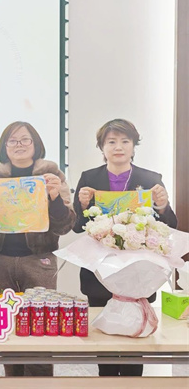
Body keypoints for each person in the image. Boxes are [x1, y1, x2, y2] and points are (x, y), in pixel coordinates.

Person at [73, 118, 177, 377]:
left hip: (138, 274)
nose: (118, 147)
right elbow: (77, 227)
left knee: (134, 341)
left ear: (133, 146)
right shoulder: (89, 178)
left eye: (124, 141)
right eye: (111, 142)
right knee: (104, 340)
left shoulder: (150, 179)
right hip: (100, 273)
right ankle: (107, 379)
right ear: (102, 147)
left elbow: (170, 224)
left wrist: (162, 205)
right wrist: (83, 206)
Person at [0, 121, 75, 377]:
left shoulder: (51, 174)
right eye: (13, 140)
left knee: (41, 329)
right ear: (4, 146)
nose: (19, 145)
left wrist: (54, 198)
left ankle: (40, 382)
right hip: (0, 261)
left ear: (35, 144)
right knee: (6, 327)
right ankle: (13, 380)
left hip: (39, 261)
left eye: (25, 139)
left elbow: (65, 225)